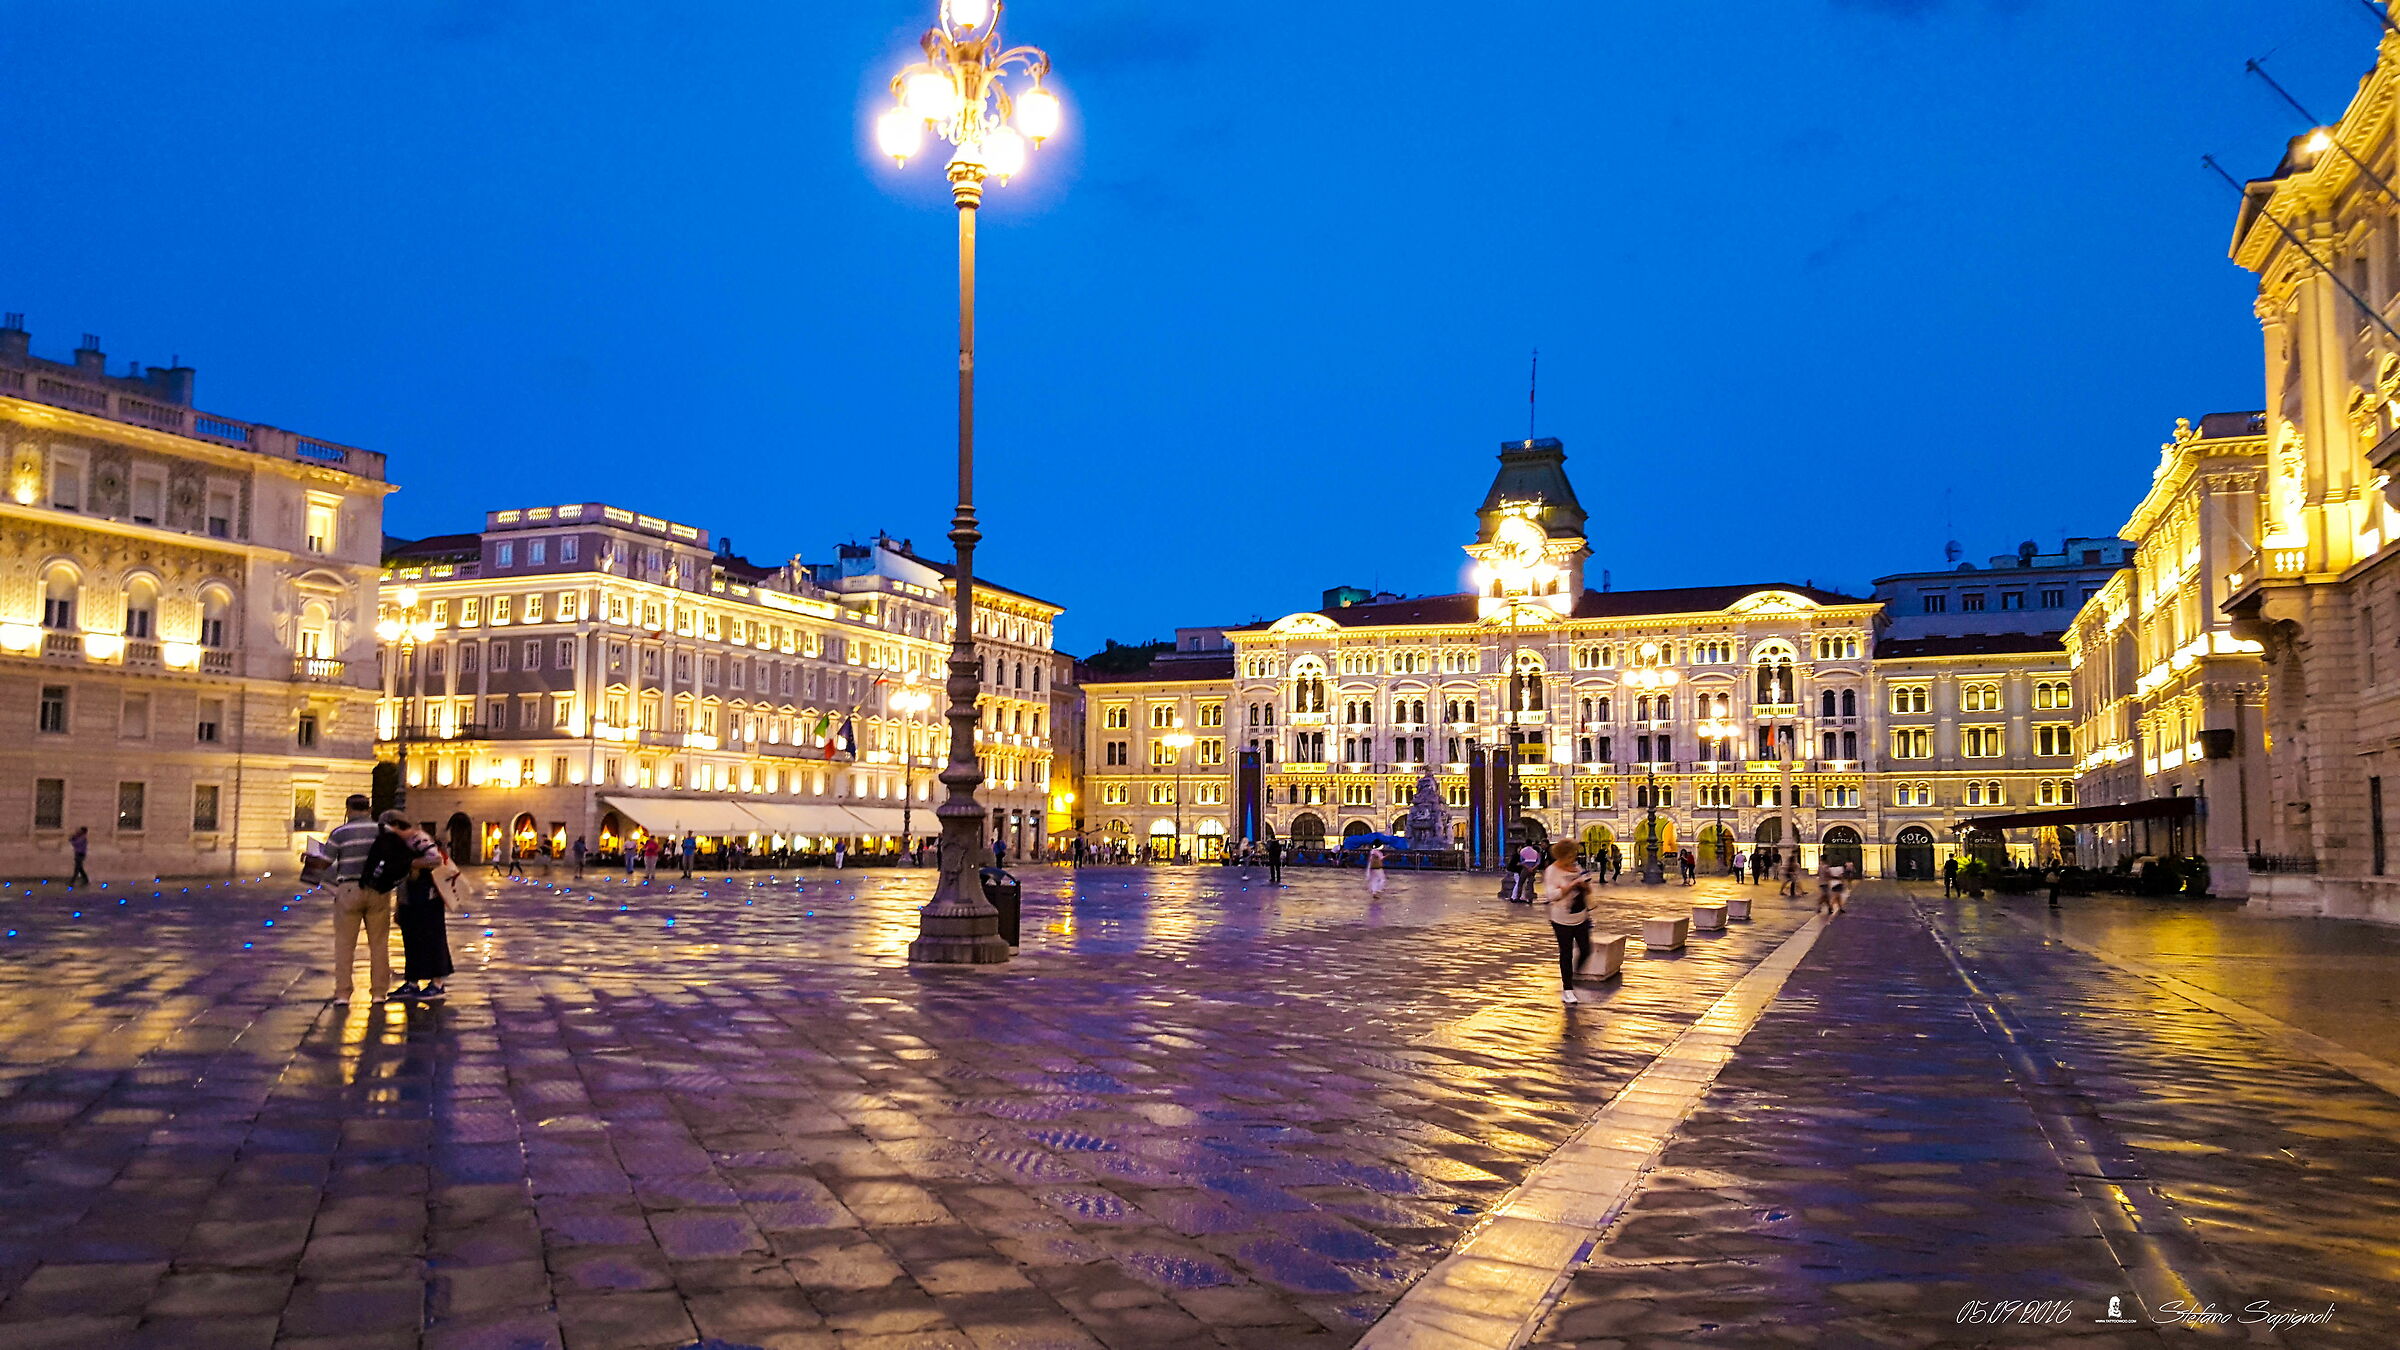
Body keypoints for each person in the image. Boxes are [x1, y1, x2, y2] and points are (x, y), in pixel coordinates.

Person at [325, 794, 394, 1004]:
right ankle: (379, 993)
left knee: (345, 944)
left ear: (348, 809)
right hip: (379, 890)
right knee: (379, 943)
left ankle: (343, 993)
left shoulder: (339, 833)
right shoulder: (384, 831)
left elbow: (325, 863)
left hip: (348, 889)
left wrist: (335, 888)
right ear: (369, 809)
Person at [383, 810, 455, 1002]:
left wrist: (410, 863)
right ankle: (412, 981)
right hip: (410, 899)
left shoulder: (419, 838)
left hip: (428, 898)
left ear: (397, 825)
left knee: (433, 938)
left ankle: (437, 983)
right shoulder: (401, 843)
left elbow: (436, 859)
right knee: (411, 940)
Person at [1541, 839, 1595, 1004]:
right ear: (1562, 855)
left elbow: (1589, 890)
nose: (1574, 858)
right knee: (1566, 953)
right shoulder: (1552, 871)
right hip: (1561, 918)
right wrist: (1570, 886)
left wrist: (1585, 886)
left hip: (1580, 915)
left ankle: (1575, 975)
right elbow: (1551, 895)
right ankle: (1568, 989)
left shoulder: (1577, 868)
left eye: (1574, 854)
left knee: (1586, 949)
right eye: (1571, 855)